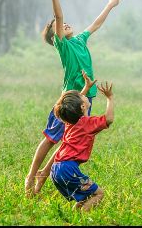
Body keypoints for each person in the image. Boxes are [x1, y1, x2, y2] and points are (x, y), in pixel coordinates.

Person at [25, 0, 121, 195]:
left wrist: (109, 5)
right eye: (57, 26)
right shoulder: (63, 45)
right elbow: (58, 16)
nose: (64, 24)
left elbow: (95, 24)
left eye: (64, 23)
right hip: (69, 99)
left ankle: (41, 181)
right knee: (51, 139)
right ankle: (31, 177)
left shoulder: (79, 40)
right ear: (54, 35)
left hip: (85, 98)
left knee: (68, 141)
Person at [50, 74, 115, 211]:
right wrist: (110, 98)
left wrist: (86, 88)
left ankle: (75, 215)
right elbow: (108, 119)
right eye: (83, 96)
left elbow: (73, 106)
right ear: (83, 106)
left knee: (86, 196)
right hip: (68, 169)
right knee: (99, 194)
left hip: (56, 169)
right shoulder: (88, 123)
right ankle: (82, 219)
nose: (84, 95)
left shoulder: (70, 121)